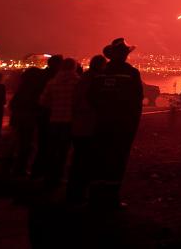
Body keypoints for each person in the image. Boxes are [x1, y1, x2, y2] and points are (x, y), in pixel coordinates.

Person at [88, 38, 143, 209]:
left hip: (101, 122)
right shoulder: (131, 73)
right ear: (125, 55)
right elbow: (136, 101)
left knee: (99, 158)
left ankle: (95, 196)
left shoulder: (100, 73)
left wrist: (102, 112)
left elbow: (91, 97)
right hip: (122, 124)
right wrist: (131, 122)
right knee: (117, 159)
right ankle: (111, 198)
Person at [67, 55, 104, 204]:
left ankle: (73, 189)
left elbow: (74, 101)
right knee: (89, 159)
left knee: (78, 157)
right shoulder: (97, 81)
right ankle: (83, 191)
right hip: (90, 124)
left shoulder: (82, 80)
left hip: (78, 125)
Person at [41, 58, 80, 188]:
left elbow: (43, 101)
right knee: (65, 151)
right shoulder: (78, 83)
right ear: (74, 68)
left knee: (52, 149)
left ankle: (49, 177)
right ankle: (60, 177)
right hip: (71, 121)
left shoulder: (53, 82)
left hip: (55, 120)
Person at [31, 55, 64, 178]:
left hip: (42, 112)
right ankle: (45, 172)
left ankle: (37, 171)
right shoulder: (54, 78)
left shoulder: (41, 76)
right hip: (52, 113)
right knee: (50, 144)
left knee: (42, 143)